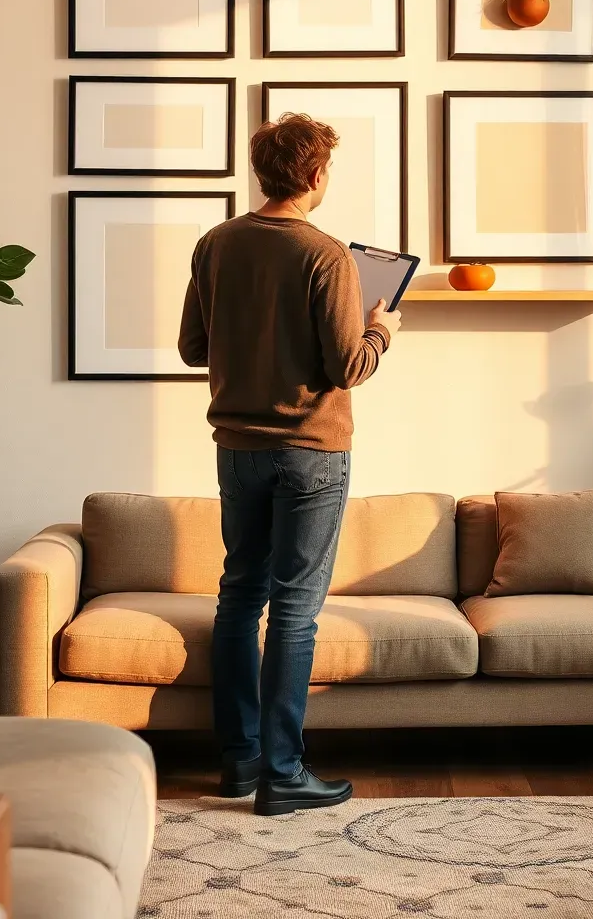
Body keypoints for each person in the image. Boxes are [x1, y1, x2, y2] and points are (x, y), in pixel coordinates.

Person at [178, 112, 401, 816]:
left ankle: (240, 763)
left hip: (236, 452)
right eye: (326, 168)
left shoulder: (215, 244)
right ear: (312, 175)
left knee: (240, 597)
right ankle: (283, 774)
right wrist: (381, 328)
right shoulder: (326, 254)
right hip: (310, 453)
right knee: (297, 612)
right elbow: (349, 365)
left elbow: (192, 348)